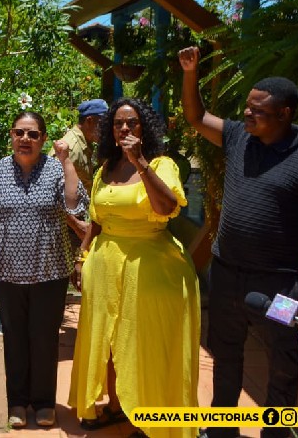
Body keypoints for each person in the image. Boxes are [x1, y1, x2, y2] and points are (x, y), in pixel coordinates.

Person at [179, 46, 298, 438]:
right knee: (225, 352)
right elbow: (196, 117)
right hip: (228, 274)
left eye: (258, 110)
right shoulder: (237, 137)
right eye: (247, 107)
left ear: (284, 115)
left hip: (280, 284)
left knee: (283, 356)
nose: (247, 114)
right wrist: (190, 72)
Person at [68, 98, 200, 438]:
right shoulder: (104, 168)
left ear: (145, 129)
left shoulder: (162, 164)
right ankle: (115, 406)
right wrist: (82, 258)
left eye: (133, 123)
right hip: (105, 265)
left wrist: (140, 162)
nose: (124, 129)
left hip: (151, 266)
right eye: (118, 124)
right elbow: (97, 221)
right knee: (110, 343)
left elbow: (168, 207)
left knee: (147, 343)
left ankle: (152, 419)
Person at [0, 111, 88, 429]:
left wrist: (66, 162)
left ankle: (44, 402)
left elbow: (77, 206)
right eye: (19, 133)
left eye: (33, 134)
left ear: (43, 139)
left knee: (45, 338)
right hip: (7, 273)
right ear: (11, 136)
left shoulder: (56, 169)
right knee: (14, 339)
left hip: (50, 271)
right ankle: (18, 402)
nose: (25, 139)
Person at [51, 98, 109, 242]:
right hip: (64, 225)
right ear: (90, 121)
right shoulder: (72, 148)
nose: (106, 128)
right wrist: (76, 225)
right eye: (103, 123)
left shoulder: (84, 143)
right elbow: (49, 192)